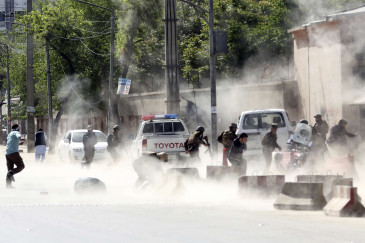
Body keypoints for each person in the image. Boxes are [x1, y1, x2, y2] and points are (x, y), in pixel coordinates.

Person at [5, 124, 25, 188]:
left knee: (9, 170)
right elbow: (19, 136)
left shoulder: (9, 134)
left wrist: (19, 143)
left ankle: (8, 185)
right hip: (13, 153)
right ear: (17, 128)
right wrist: (21, 139)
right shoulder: (16, 132)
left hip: (7, 154)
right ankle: (11, 172)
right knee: (21, 166)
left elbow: (11, 143)